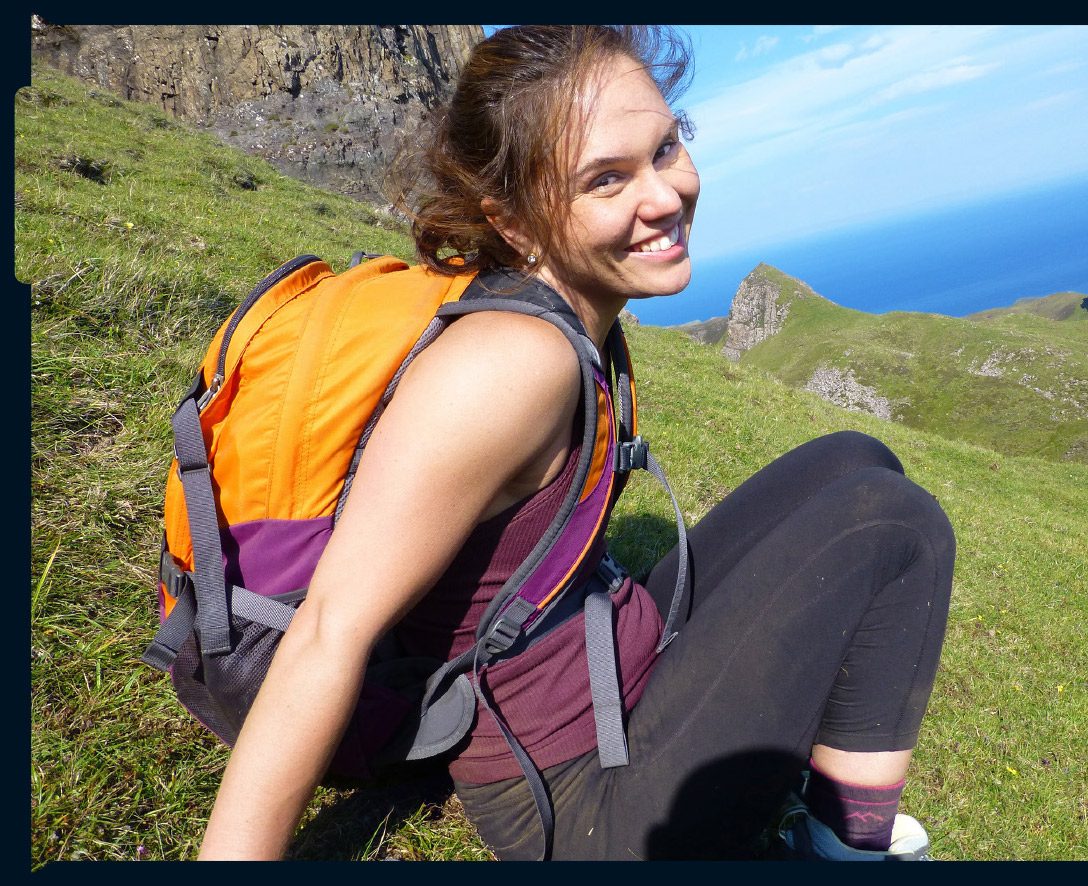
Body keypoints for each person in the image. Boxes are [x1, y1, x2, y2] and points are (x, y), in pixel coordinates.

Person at [197, 24, 955, 862]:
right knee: (892, 523)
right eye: (607, 179)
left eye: (665, 148)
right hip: (583, 807)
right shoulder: (511, 364)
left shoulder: (565, 317)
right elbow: (328, 629)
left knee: (856, 461)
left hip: (617, 681)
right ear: (514, 222)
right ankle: (844, 850)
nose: (665, 197)